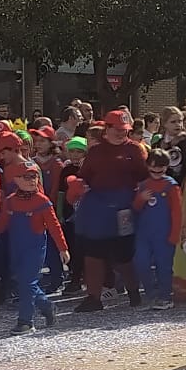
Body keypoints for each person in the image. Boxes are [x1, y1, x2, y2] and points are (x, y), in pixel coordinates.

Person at [75, 110, 149, 312]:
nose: (121, 133)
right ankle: (93, 297)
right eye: (117, 129)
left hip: (124, 206)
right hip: (98, 206)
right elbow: (85, 177)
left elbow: (144, 177)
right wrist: (78, 187)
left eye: (124, 130)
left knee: (124, 254)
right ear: (106, 129)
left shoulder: (134, 150)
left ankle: (134, 293)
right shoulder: (96, 151)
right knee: (93, 252)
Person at [0, 159, 69, 333]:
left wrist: (62, 248)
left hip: (35, 248)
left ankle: (25, 320)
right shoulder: (11, 201)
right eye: (26, 177)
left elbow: (54, 226)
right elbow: (2, 223)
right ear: (16, 180)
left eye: (34, 176)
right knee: (24, 282)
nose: (31, 180)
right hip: (16, 248)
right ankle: (47, 307)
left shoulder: (42, 201)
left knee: (27, 282)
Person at [133, 149, 182, 311]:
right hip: (144, 234)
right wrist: (141, 199)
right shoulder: (143, 185)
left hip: (164, 234)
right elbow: (135, 208)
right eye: (153, 167)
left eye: (161, 167)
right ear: (148, 166)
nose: (157, 171)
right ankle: (150, 295)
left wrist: (174, 235)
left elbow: (177, 212)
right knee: (141, 262)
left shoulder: (171, 186)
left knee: (164, 266)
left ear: (167, 167)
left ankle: (165, 297)